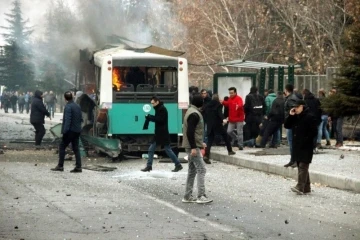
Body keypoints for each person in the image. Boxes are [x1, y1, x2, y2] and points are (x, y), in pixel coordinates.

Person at [182, 93, 212, 204]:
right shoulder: (195, 114)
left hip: (191, 145)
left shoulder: (190, 112)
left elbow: (193, 132)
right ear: (201, 103)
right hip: (192, 147)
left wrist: (200, 143)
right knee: (201, 169)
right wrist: (194, 147)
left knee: (192, 170)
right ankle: (201, 195)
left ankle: (187, 195)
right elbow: (190, 132)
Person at [284, 99, 318, 195]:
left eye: (297, 107)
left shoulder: (310, 117)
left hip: (306, 145)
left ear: (302, 106)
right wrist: (290, 115)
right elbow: (287, 125)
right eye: (294, 107)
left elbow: (314, 132)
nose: (296, 109)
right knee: (300, 165)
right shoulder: (296, 116)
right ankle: (306, 187)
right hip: (297, 145)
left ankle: (300, 186)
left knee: (303, 165)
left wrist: (306, 140)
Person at [141, 96, 183, 172]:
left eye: (153, 103)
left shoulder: (162, 109)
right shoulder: (159, 108)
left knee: (166, 150)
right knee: (155, 149)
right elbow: (159, 119)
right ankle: (149, 166)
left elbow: (160, 120)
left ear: (157, 102)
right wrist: (151, 117)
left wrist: (150, 118)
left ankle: (178, 164)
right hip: (160, 133)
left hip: (162, 133)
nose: (152, 105)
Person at [51, 91, 83, 173]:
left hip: (70, 131)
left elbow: (68, 120)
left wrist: (64, 131)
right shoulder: (77, 106)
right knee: (76, 148)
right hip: (77, 130)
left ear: (65, 99)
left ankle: (60, 166)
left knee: (62, 146)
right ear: (72, 97)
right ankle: (78, 167)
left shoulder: (68, 107)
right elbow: (81, 119)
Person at [203, 94, 235, 163]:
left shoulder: (207, 105)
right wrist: (223, 119)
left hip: (209, 125)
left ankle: (206, 156)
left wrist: (207, 121)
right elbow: (219, 113)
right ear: (218, 98)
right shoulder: (219, 105)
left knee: (210, 141)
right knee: (225, 136)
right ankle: (230, 150)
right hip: (217, 124)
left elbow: (204, 114)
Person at [283, 84, 301, 168]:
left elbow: (293, 111)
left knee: (292, 143)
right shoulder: (292, 98)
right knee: (291, 142)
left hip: (291, 124)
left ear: (286, 90)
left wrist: (290, 120)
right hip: (292, 123)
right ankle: (293, 160)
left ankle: (294, 160)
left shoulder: (290, 99)